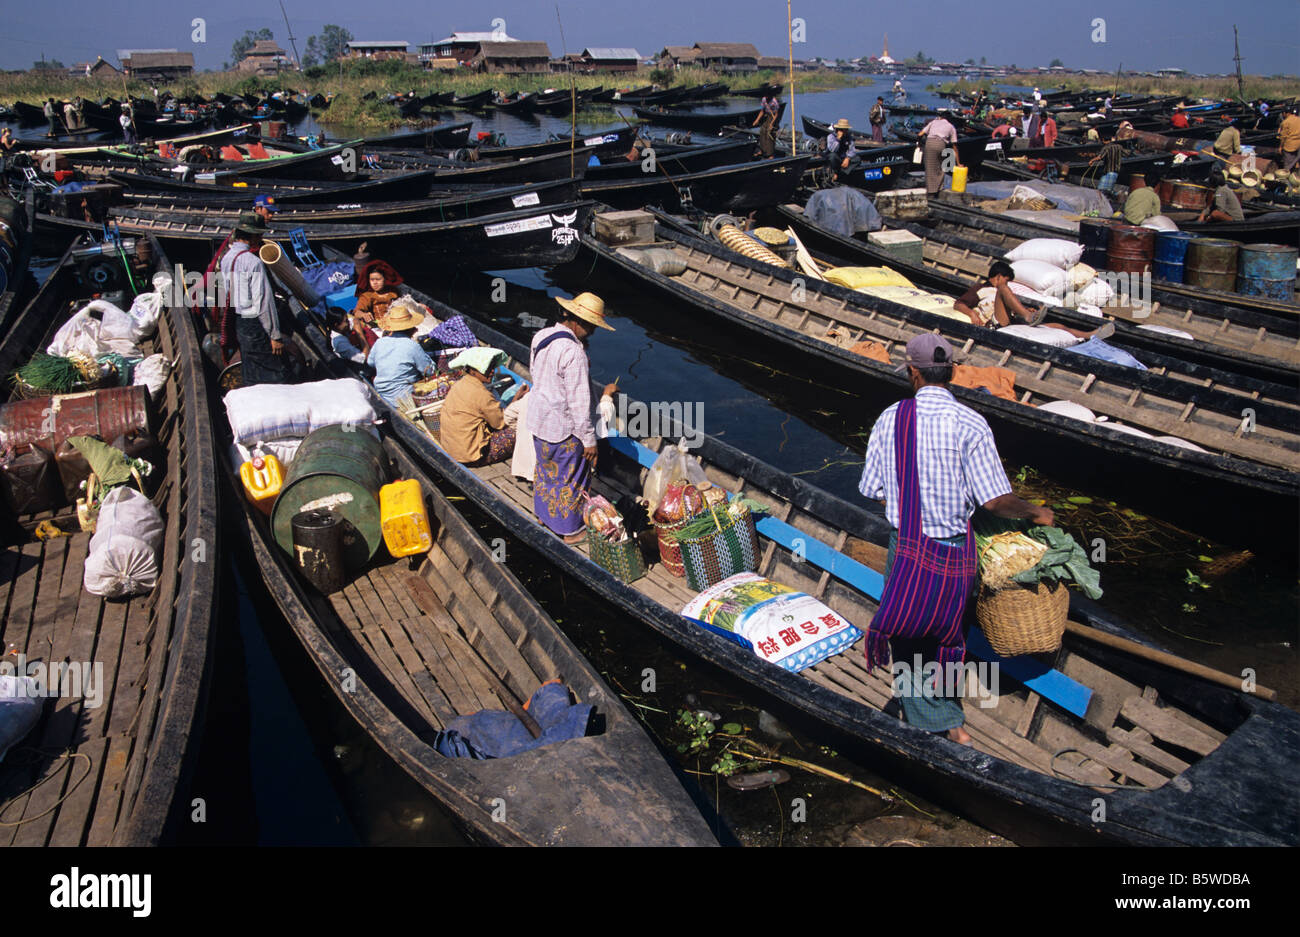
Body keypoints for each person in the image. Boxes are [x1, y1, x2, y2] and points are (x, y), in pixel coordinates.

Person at [859, 334, 1054, 744]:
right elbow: (996, 501)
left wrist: (907, 504)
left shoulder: (891, 418)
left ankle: (942, 724)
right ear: (951, 371)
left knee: (908, 635)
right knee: (950, 635)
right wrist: (1037, 512)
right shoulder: (971, 423)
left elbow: (873, 489)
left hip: (908, 548)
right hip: (954, 552)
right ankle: (942, 713)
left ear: (913, 372)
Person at [529, 292, 616, 544]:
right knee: (570, 480)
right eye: (591, 328)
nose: (591, 334)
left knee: (546, 473)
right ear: (581, 322)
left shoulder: (542, 335)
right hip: (563, 429)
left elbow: (536, 373)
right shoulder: (574, 353)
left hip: (539, 420)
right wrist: (589, 440)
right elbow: (579, 404)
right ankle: (570, 531)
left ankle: (545, 517)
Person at [954, 261, 1115, 340]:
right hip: (995, 323)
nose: (1006, 283)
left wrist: (1025, 310)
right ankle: (1028, 317)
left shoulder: (1005, 291)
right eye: (1005, 279)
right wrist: (972, 314)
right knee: (1003, 290)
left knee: (1056, 326)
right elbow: (958, 303)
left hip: (1013, 320)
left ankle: (1089, 335)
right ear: (998, 277)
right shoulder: (981, 288)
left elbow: (1010, 305)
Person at [219, 212, 290, 385]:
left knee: (250, 369)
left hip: (240, 322)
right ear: (253, 236)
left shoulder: (226, 258)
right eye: (260, 235)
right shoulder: (253, 262)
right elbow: (264, 302)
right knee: (276, 372)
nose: (261, 239)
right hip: (255, 323)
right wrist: (275, 335)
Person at [440, 347, 525, 466]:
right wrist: (517, 400)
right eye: (486, 369)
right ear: (472, 371)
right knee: (520, 430)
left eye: (492, 368)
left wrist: (516, 397)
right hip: (470, 456)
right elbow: (501, 423)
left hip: (452, 450)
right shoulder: (481, 393)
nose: (491, 372)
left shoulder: (460, 384)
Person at [369, 299, 436, 406]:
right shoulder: (412, 345)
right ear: (411, 328)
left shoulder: (379, 342)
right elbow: (429, 371)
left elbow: (371, 363)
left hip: (381, 392)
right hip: (403, 397)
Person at [354, 260, 403, 339]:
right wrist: (363, 314)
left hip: (397, 323)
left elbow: (403, 303)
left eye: (378, 279)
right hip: (379, 328)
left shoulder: (393, 291)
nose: (375, 283)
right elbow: (357, 312)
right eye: (372, 280)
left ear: (384, 279)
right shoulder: (367, 296)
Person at [918, 115, 960, 197]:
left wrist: (919, 144)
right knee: (941, 167)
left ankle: (930, 191)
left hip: (929, 143)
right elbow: (955, 145)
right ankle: (938, 188)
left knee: (929, 167)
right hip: (941, 145)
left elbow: (920, 134)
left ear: (941, 118)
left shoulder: (933, 122)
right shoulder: (951, 127)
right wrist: (958, 163)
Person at [825, 118, 859, 182]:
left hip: (843, 159)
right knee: (832, 157)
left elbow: (852, 149)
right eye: (844, 130)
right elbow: (833, 150)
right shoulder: (831, 137)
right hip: (835, 159)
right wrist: (838, 139)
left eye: (846, 129)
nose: (846, 131)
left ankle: (842, 173)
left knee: (857, 159)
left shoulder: (848, 137)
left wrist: (848, 158)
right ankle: (835, 172)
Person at [752, 94, 780, 158]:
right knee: (762, 131)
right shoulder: (764, 99)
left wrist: (771, 124)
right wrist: (756, 120)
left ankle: (771, 154)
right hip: (767, 116)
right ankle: (762, 150)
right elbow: (762, 111)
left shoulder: (774, 102)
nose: (766, 97)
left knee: (770, 134)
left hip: (773, 118)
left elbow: (776, 114)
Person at [1276, 106, 1300, 172]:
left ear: (1285, 113)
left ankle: (1286, 177)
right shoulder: (1299, 119)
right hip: (1298, 145)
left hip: (1290, 145)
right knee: (1296, 161)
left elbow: (1283, 137)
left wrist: (1280, 147)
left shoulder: (1285, 122)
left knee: (1287, 166)